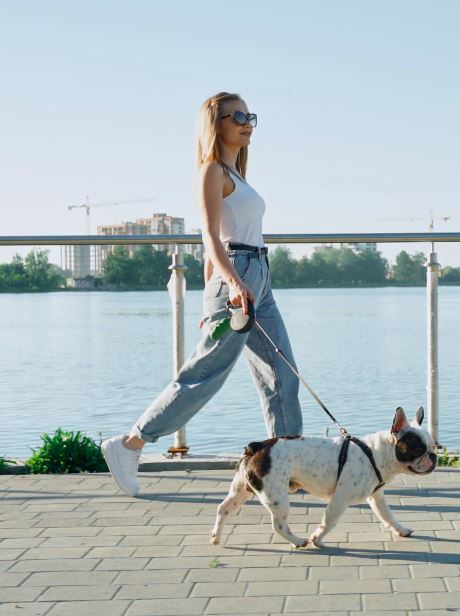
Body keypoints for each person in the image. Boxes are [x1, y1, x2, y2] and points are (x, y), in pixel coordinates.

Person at [101, 92, 303, 496]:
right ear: (217, 123)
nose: (247, 123)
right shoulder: (212, 171)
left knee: (282, 372)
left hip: (256, 275)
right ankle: (129, 444)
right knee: (205, 376)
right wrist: (227, 286)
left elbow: (222, 241)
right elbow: (211, 238)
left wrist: (213, 295)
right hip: (238, 276)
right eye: (239, 116)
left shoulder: (238, 173)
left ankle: (287, 463)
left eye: (251, 116)